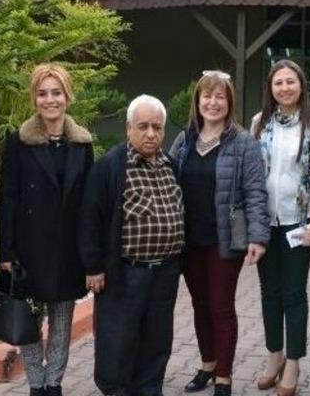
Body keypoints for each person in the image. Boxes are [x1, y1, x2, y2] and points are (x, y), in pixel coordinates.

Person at [169, 70, 270, 396]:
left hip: (226, 239)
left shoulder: (244, 143)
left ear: (229, 103)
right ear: (197, 101)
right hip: (189, 239)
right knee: (200, 304)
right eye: (207, 96)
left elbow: (256, 192)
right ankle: (207, 364)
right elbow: (167, 181)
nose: (213, 103)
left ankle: (224, 377)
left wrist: (258, 237)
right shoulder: (184, 141)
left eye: (220, 97)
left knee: (221, 306)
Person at [0, 63, 94, 396]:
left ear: (67, 96)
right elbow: (7, 197)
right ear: (34, 99)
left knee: (62, 323)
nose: (50, 100)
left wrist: (90, 253)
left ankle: (54, 383)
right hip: (30, 248)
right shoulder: (19, 142)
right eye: (42, 93)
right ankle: (36, 384)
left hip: (68, 249)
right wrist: (6, 251)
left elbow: (89, 204)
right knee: (30, 321)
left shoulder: (82, 144)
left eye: (56, 92)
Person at [79, 94, 185, 396]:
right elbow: (90, 219)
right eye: (143, 126)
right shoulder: (110, 167)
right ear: (129, 128)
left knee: (156, 337)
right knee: (119, 337)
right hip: (125, 272)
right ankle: (115, 389)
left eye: (156, 127)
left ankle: (150, 387)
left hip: (164, 273)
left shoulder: (171, 167)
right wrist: (94, 267)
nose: (150, 133)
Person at [250, 60, 310, 396]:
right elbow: (253, 174)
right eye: (278, 83)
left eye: (290, 82)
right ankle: (275, 356)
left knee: (294, 293)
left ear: (301, 85)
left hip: (299, 223)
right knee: (269, 293)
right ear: (270, 88)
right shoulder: (259, 123)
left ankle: (294, 362)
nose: (284, 88)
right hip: (264, 223)